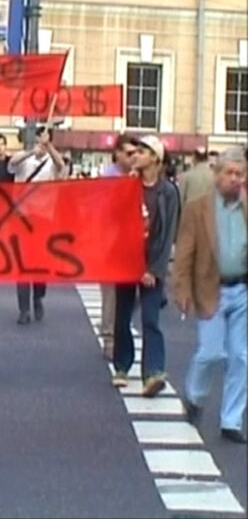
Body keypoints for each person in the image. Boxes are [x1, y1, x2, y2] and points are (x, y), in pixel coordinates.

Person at [174, 147, 247, 444]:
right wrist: (181, 288)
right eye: (229, 173)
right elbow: (184, 254)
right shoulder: (198, 208)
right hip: (210, 289)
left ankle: (232, 419)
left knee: (242, 357)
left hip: (242, 289)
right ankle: (194, 395)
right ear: (217, 174)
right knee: (211, 352)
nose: (234, 179)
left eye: (239, 174)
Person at [112, 135, 179, 397]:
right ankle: (122, 365)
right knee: (122, 316)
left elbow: (168, 233)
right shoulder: (128, 185)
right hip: (127, 260)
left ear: (155, 158)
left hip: (152, 264)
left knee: (151, 318)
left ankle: (153, 372)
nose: (135, 155)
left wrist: (154, 269)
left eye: (142, 151)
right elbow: (114, 220)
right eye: (135, 151)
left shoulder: (168, 192)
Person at [7, 125, 65, 324]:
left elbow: (61, 167)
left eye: (45, 138)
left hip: (43, 218)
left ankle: (38, 296)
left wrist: (49, 148)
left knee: (40, 264)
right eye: (39, 138)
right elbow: (12, 164)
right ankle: (24, 309)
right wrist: (33, 151)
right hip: (22, 217)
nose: (41, 141)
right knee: (22, 264)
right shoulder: (25, 158)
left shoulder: (52, 161)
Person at [99, 134, 138, 359]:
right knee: (110, 293)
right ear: (118, 154)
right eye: (129, 153)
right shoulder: (110, 176)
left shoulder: (139, 176)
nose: (133, 157)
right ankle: (110, 337)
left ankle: (118, 327)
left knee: (134, 294)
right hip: (111, 242)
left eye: (136, 153)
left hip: (133, 244)